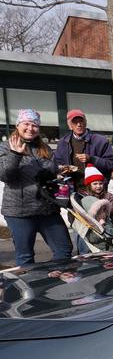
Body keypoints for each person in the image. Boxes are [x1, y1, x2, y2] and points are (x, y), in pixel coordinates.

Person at [0, 109, 73, 266]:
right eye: (26, 124)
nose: (30, 128)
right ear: (18, 125)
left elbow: (50, 170)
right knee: (26, 256)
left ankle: (53, 277)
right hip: (20, 212)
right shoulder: (5, 147)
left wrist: (57, 173)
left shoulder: (44, 147)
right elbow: (5, 176)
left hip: (47, 209)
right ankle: (32, 282)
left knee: (64, 250)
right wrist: (15, 154)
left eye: (34, 125)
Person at [54, 109, 113, 185]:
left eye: (81, 121)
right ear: (70, 125)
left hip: (95, 188)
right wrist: (62, 169)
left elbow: (111, 164)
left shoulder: (100, 141)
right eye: (75, 122)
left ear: (86, 122)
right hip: (71, 187)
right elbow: (57, 164)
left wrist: (91, 159)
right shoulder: (63, 142)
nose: (79, 124)